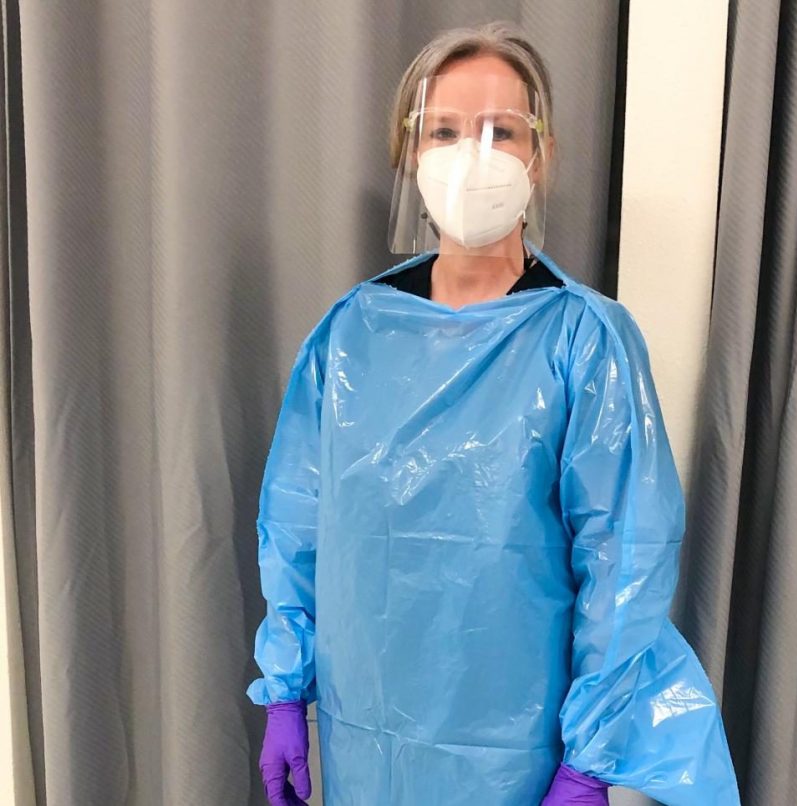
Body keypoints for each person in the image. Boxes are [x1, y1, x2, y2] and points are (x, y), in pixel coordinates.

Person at [247, 22, 740, 806]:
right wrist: (284, 687)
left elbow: (626, 560)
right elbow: (297, 523)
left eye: (500, 130)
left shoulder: (584, 342)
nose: (472, 154)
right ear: (409, 150)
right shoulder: (349, 337)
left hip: (519, 760)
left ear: (539, 155)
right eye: (444, 130)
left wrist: (589, 760)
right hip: (364, 743)